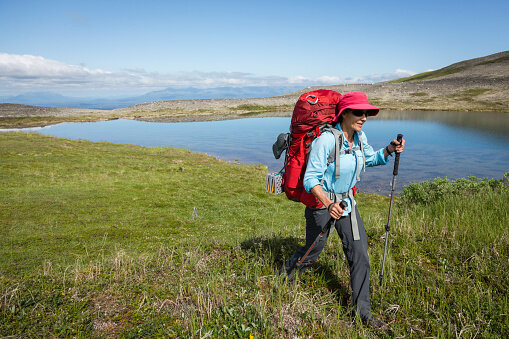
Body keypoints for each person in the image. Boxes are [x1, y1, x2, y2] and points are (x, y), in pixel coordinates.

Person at [282, 91, 405, 329]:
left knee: (359, 254)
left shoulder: (359, 137)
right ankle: (286, 277)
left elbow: (371, 159)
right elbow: (311, 179)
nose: (364, 117)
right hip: (322, 205)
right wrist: (329, 204)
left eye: (367, 113)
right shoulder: (326, 141)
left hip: (348, 204)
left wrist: (390, 149)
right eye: (359, 112)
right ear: (344, 113)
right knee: (312, 251)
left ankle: (363, 313)